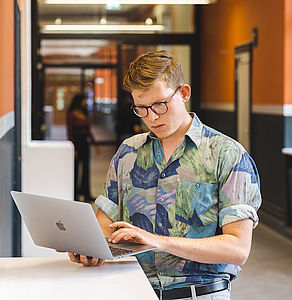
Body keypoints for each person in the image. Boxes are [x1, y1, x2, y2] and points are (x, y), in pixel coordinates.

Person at [67, 50, 262, 300]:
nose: (152, 117)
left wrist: (157, 241)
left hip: (198, 293)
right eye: (141, 109)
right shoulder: (128, 152)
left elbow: (237, 248)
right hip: (132, 289)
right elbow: (106, 223)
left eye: (159, 104)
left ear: (183, 93)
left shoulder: (227, 154)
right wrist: (93, 248)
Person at [67, 94, 95, 202]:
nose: (85, 102)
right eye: (84, 100)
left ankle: (86, 194)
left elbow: (88, 130)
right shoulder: (72, 114)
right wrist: (73, 148)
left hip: (85, 142)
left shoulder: (84, 112)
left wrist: (94, 142)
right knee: (76, 169)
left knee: (86, 169)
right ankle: (74, 194)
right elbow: (69, 132)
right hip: (76, 143)